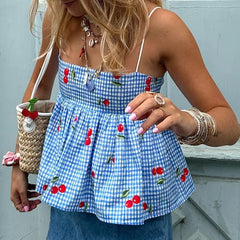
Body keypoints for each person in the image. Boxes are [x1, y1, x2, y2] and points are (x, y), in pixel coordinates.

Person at [8, 0, 240, 239]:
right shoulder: (60, 17)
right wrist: (20, 161)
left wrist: (187, 121)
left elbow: (228, 124)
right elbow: (40, 89)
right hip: (67, 199)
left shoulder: (161, 27)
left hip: (135, 211)